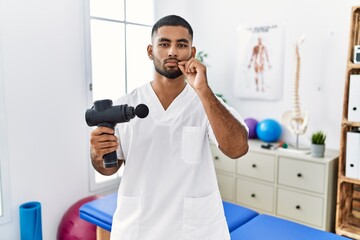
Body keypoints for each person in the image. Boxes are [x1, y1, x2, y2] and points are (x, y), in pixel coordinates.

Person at [90, 15, 249, 240]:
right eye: (164, 44)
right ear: (150, 51)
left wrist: (203, 90)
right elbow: (108, 168)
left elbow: (237, 148)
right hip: (138, 228)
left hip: (194, 230)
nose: (173, 51)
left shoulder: (206, 102)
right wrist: (97, 154)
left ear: (192, 53)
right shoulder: (125, 104)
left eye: (181, 45)